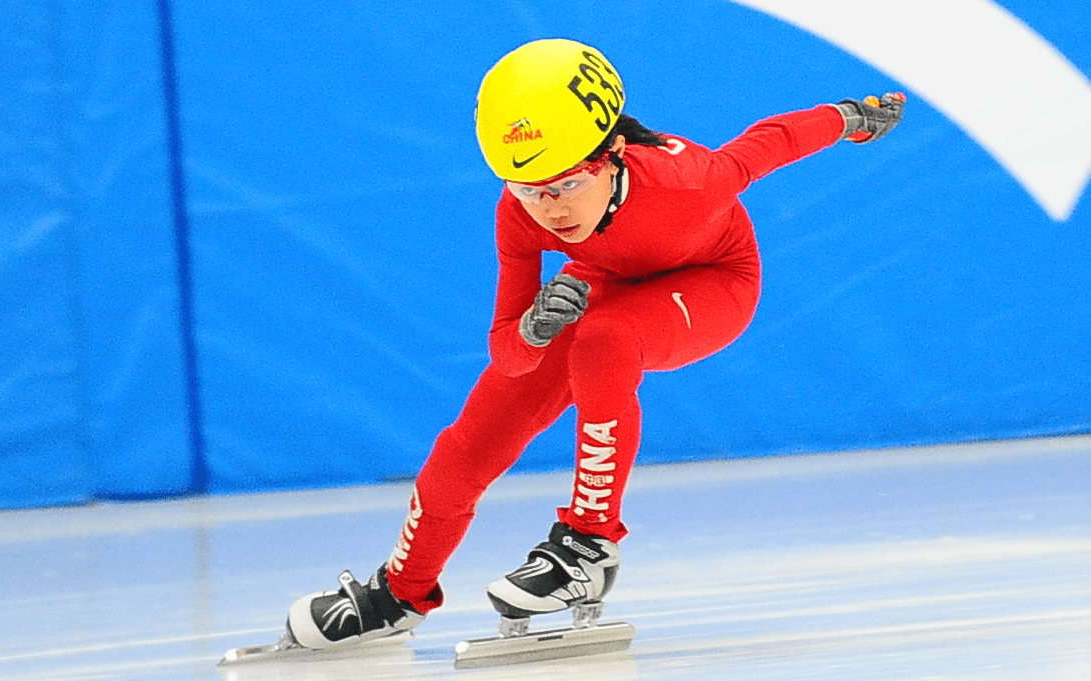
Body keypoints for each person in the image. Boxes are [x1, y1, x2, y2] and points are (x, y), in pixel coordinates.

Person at [285, 39, 906, 648]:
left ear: (610, 153)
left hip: (713, 281)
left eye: (565, 184)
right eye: (528, 189)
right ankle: (399, 592)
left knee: (604, 340)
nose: (549, 209)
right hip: (604, 283)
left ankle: (589, 544)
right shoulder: (519, 213)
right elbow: (507, 351)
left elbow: (768, 143)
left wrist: (850, 118)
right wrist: (533, 329)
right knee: (468, 443)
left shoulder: (687, 181)